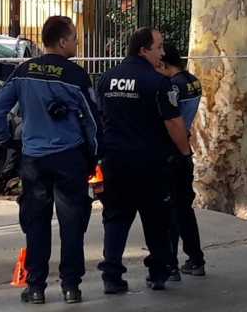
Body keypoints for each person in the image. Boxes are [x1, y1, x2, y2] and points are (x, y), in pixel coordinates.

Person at [0, 15, 98, 305]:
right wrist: (95, 155)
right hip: (69, 158)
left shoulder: (23, 71)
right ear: (62, 42)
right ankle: (71, 287)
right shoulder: (76, 76)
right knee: (72, 223)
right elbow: (94, 122)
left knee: (36, 223)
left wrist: (6, 141)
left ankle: (35, 287)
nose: (77, 42)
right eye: (74, 38)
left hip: (33, 159)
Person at [96, 28, 193, 294]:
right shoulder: (158, 82)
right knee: (156, 219)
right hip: (151, 162)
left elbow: (99, 117)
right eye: (159, 47)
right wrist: (185, 154)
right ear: (143, 50)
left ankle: (112, 276)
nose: (163, 53)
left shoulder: (106, 79)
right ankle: (158, 273)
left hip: (115, 160)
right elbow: (174, 122)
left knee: (116, 219)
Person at [155, 43, 205, 280]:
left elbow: (169, 120)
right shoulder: (193, 81)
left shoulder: (171, 86)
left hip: (171, 149)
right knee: (183, 209)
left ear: (164, 64)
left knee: (169, 211)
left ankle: (170, 264)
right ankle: (195, 259)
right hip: (185, 146)